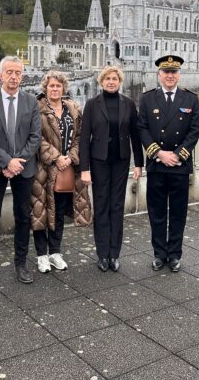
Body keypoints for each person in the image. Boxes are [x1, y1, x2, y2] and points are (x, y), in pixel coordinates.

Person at [0, 56, 41, 287]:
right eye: (9, 72)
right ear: (0, 75)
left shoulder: (31, 102)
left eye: (18, 73)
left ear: (22, 76)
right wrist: (6, 162)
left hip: (23, 169)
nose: (14, 77)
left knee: (23, 217)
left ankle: (21, 264)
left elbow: (35, 137)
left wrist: (17, 163)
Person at [138, 55, 199, 272]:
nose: (170, 76)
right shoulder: (147, 99)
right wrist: (159, 153)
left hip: (179, 166)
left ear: (179, 75)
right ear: (159, 75)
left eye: (174, 72)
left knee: (177, 213)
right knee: (156, 212)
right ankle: (159, 254)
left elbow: (194, 131)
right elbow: (142, 129)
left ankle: (174, 255)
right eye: (166, 72)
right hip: (157, 165)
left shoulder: (190, 99)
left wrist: (178, 155)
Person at [80, 65, 143, 272]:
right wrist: (84, 168)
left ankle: (114, 254)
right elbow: (84, 138)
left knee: (117, 207)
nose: (111, 81)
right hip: (99, 161)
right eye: (107, 78)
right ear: (101, 81)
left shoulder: (129, 104)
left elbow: (135, 135)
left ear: (120, 81)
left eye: (114, 78)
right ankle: (102, 254)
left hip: (121, 161)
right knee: (101, 205)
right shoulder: (92, 104)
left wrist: (139, 164)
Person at [31, 70, 92, 274]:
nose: (55, 89)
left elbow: (81, 136)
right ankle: (41, 255)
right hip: (44, 169)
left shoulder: (73, 108)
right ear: (45, 88)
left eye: (58, 86)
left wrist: (71, 157)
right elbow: (36, 138)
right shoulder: (36, 108)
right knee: (40, 212)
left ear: (63, 88)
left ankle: (55, 252)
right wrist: (56, 157)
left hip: (67, 170)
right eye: (51, 86)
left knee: (57, 212)